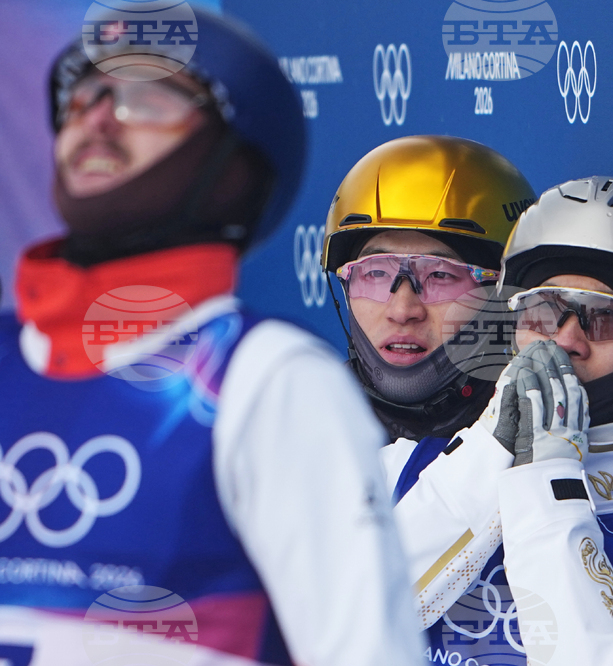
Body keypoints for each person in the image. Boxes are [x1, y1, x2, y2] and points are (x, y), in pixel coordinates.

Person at [0, 9, 421, 666]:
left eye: (146, 98)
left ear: (233, 165)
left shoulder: (268, 378)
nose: (98, 119)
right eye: (84, 97)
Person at [385, 176, 613, 665]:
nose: (564, 341)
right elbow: (331, 624)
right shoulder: (402, 470)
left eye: (604, 316)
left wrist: (549, 486)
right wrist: (486, 456)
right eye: (542, 310)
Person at [322, 134, 536, 442]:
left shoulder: (549, 436)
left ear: (504, 295)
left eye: (440, 275)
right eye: (376, 272)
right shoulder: (297, 427)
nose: (402, 311)